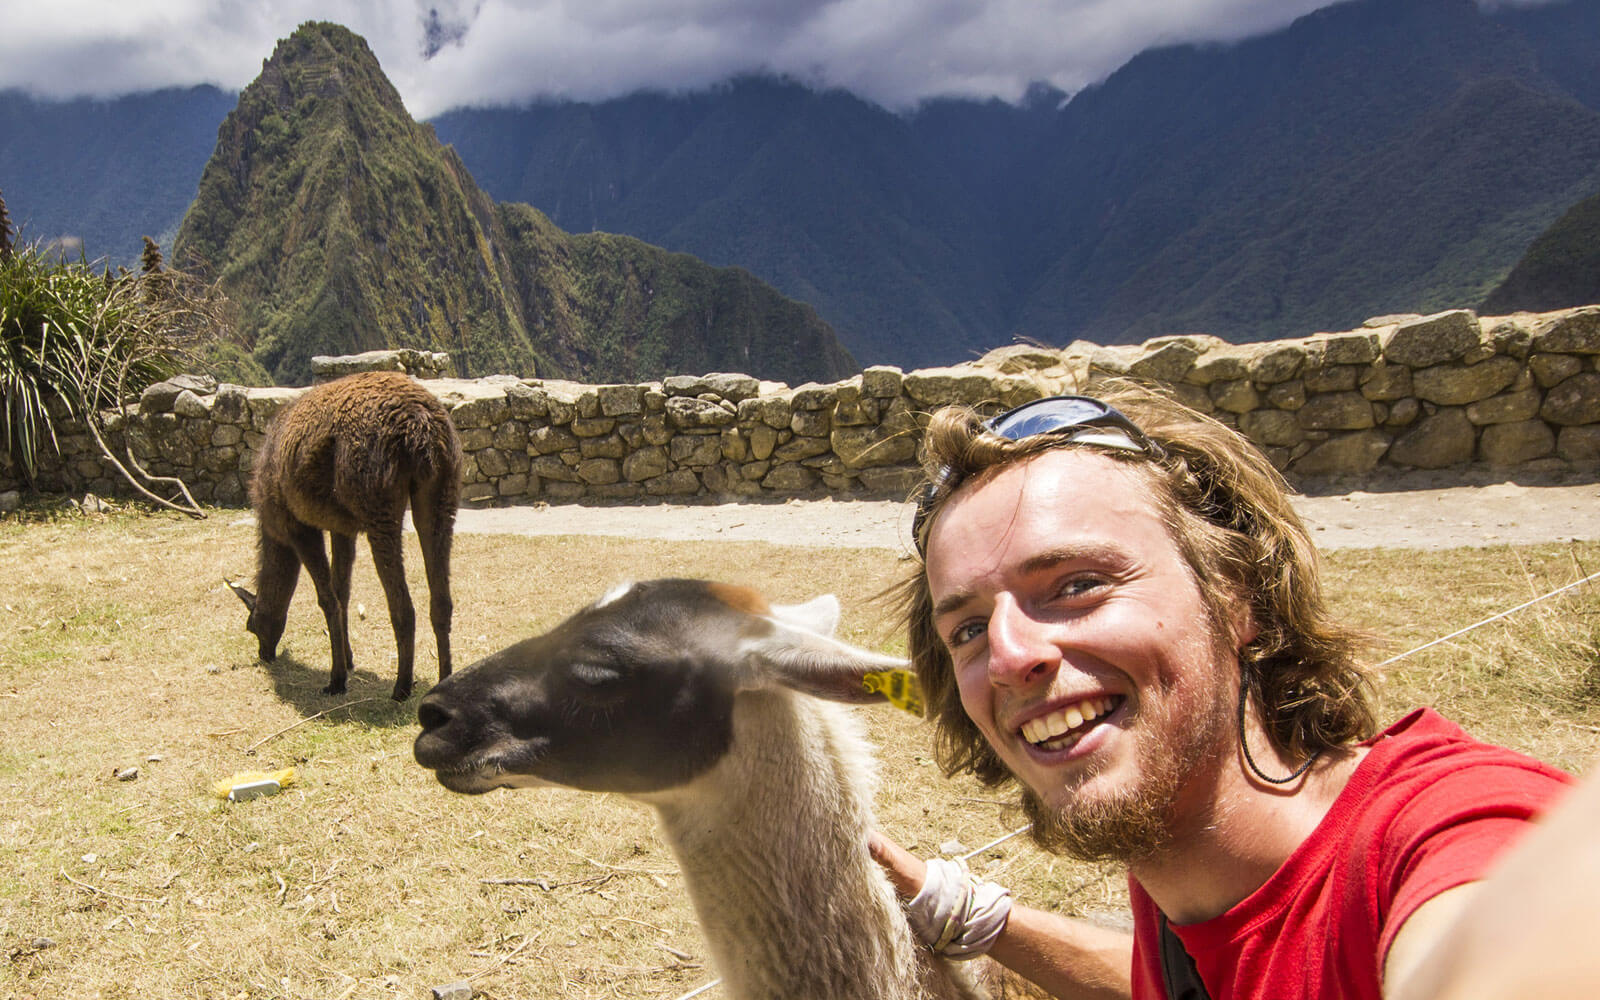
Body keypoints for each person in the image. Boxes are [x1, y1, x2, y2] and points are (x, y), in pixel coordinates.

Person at [869, 383, 1583, 1000]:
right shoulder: (1186, 858)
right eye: (967, 629)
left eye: (1077, 585)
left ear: (1238, 597)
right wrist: (959, 909)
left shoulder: (1440, 839)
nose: (1008, 657)